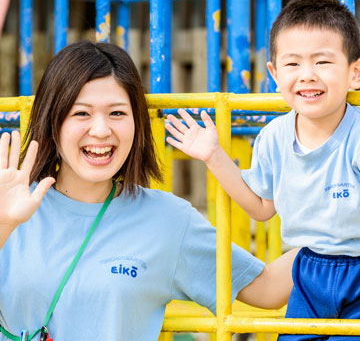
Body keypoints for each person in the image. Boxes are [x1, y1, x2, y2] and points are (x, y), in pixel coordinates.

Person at [0, 40, 297, 341]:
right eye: (81, 114)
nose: (101, 130)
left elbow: (267, 288)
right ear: (53, 122)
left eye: (117, 113)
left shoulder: (167, 219)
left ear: (137, 123)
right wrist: (3, 225)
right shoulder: (11, 205)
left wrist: (338, 234)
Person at [166, 0, 360, 340]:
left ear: (354, 73)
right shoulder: (274, 136)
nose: (307, 75)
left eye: (323, 62)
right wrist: (214, 157)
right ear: (273, 73)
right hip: (308, 269)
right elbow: (260, 208)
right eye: (293, 64)